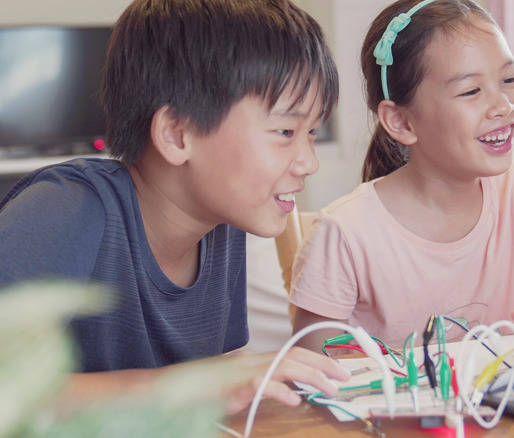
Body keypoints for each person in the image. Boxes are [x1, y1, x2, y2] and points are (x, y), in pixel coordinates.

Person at [0, 0, 349, 413]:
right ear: (178, 134)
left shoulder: (221, 222)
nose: (309, 162)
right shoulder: (66, 208)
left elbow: (216, 372)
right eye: (285, 130)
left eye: (311, 132)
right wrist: (195, 386)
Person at [289, 0, 514, 351]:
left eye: (510, 78)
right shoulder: (344, 233)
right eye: (471, 91)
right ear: (401, 121)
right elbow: (308, 378)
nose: (504, 105)